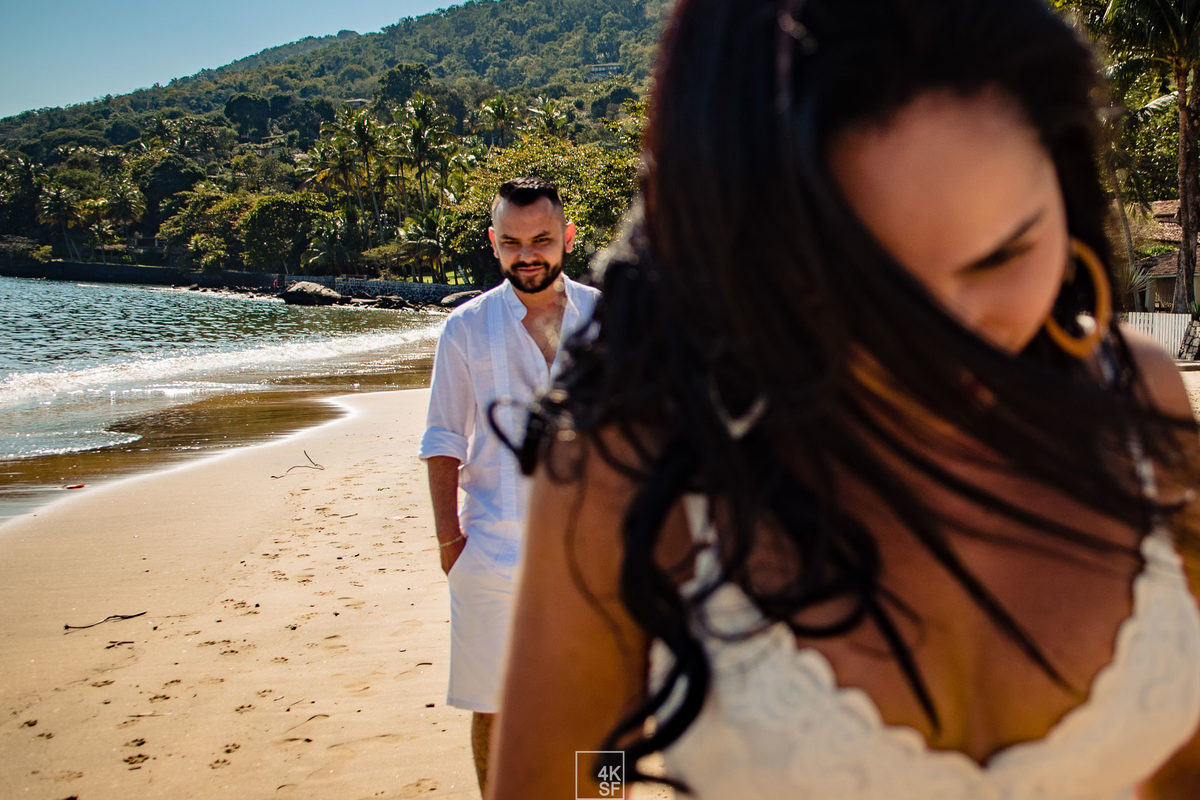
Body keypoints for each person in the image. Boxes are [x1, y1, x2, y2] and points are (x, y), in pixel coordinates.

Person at [487, 1, 1200, 798]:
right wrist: (609, 787)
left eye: (1004, 254)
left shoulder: (1139, 410)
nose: (944, 349)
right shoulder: (632, 471)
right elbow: (577, 773)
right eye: (865, 296)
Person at [418, 177, 600, 792]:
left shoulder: (609, 322)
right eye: (514, 241)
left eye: (542, 239)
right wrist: (452, 547)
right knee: (494, 707)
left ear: (567, 239)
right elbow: (443, 440)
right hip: (492, 553)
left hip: (594, 560)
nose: (528, 253)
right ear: (494, 244)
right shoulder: (465, 329)